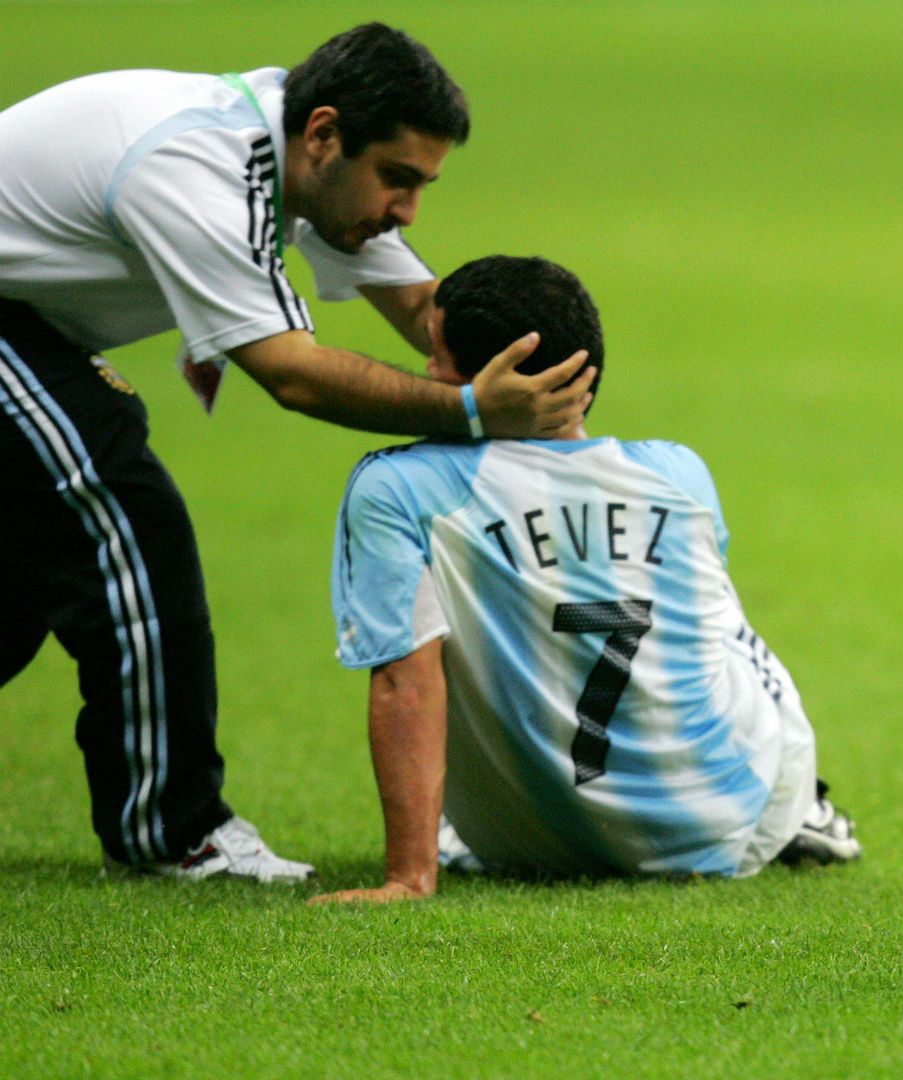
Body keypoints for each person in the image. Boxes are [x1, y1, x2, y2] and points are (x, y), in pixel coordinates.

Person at [0, 24, 592, 882]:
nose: (407, 210)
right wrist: (472, 411)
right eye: (398, 179)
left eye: (423, 185)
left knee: (28, 572)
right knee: (123, 517)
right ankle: (176, 832)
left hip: (29, 324)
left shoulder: (297, 149)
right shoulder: (198, 166)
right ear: (324, 136)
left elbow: (429, 310)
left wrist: (545, 383)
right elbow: (292, 375)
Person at [311, 255, 860, 904]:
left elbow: (406, 679)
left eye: (437, 355)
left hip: (520, 843)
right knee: (716, 619)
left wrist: (409, 877)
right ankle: (805, 808)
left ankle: (443, 856)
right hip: (724, 826)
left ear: (496, 380)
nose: (427, 373)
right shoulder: (677, 473)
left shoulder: (399, 488)